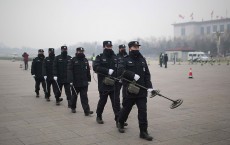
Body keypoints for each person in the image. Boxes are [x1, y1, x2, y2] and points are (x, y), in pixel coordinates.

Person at [117, 41, 154, 141]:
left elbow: (147, 74)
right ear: (130, 48)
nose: (136, 49)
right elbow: (120, 71)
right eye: (134, 47)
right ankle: (120, 122)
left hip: (141, 91)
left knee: (143, 111)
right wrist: (132, 75)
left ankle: (143, 132)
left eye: (138, 47)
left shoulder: (142, 60)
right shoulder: (125, 59)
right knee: (126, 109)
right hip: (130, 90)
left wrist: (149, 87)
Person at [93, 40, 121, 125]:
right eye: (107, 46)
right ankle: (99, 116)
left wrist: (120, 77)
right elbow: (95, 67)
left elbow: (119, 69)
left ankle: (118, 119)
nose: (109, 48)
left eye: (110, 46)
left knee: (116, 103)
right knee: (102, 101)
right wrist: (107, 71)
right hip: (103, 84)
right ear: (104, 47)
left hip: (114, 84)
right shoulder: (100, 57)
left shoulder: (115, 57)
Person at [68, 47, 93, 116]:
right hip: (75, 82)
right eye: (80, 51)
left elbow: (88, 71)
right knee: (74, 96)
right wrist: (70, 81)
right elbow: (70, 71)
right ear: (77, 52)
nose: (81, 52)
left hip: (84, 82)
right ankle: (73, 107)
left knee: (84, 96)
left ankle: (86, 111)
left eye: (82, 51)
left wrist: (89, 79)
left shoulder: (85, 60)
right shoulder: (73, 60)